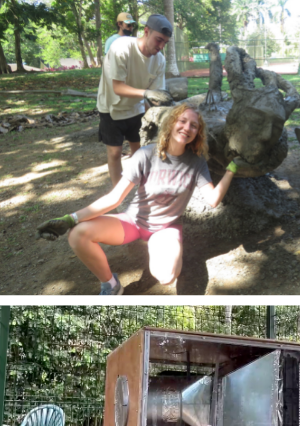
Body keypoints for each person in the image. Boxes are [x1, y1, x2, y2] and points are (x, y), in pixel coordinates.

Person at [36, 105, 242, 294]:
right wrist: (71, 218)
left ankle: (169, 250)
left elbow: (213, 200)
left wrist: (231, 170)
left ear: (198, 132)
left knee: (166, 276)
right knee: (77, 234)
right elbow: (115, 198)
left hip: (165, 227)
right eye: (182, 121)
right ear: (171, 123)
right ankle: (111, 285)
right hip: (134, 221)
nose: (187, 127)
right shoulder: (146, 154)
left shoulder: (196, 163)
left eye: (193, 125)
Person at [97, 14, 174, 188]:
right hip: (111, 107)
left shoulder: (159, 60)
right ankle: (118, 196)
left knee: (140, 151)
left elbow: (153, 98)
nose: (161, 47)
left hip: (136, 108)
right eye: (158, 40)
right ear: (146, 32)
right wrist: (147, 93)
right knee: (115, 153)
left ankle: (142, 188)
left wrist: (155, 119)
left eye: (165, 43)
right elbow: (118, 87)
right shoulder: (121, 47)